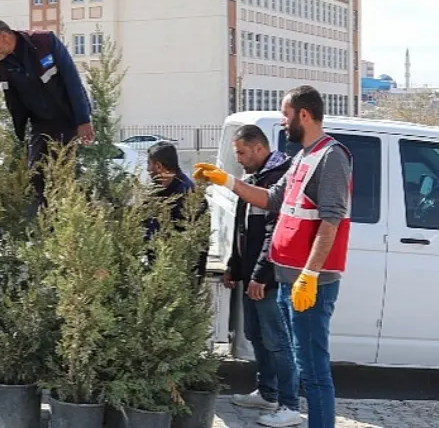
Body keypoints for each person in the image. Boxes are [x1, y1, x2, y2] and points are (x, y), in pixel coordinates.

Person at [194, 85, 352, 428]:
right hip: (286, 277)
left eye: (286, 115)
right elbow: (271, 199)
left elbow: (331, 219)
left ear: (304, 115)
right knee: (299, 358)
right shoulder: (302, 158)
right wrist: (226, 180)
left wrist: (310, 274)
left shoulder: (332, 156)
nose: (283, 123)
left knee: (313, 368)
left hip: (308, 282)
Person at [0, 17, 94, 211]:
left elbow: (72, 79)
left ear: (5, 37)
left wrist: (83, 120)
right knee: (36, 174)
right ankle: (46, 225)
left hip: (67, 119)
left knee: (64, 174)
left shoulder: (45, 42)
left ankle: (79, 220)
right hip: (39, 123)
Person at [223, 125, 302, 427]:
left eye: (242, 153)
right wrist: (235, 264)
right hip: (251, 277)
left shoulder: (280, 179)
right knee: (256, 335)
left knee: (278, 341)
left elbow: (276, 235)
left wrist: (260, 276)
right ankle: (267, 391)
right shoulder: (251, 180)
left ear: (258, 148)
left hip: (268, 279)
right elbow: (241, 227)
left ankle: (289, 404)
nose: (239, 159)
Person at [144, 141, 207, 281]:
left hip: (179, 275)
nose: (148, 170)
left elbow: (197, 241)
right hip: (156, 272)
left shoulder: (188, 194)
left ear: (159, 166)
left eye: (149, 164)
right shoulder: (154, 190)